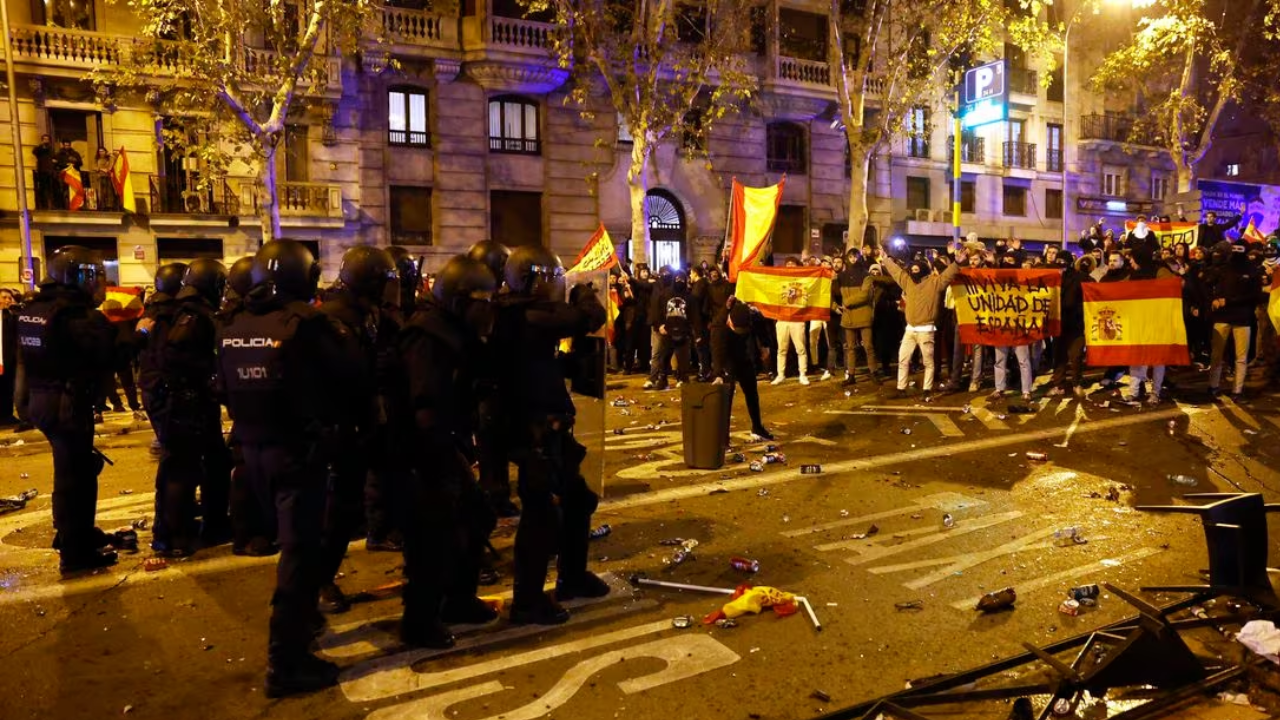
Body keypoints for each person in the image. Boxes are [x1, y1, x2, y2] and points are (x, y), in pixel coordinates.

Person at [216, 239, 364, 697]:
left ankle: (300, 633)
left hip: (254, 452)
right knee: (300, 559)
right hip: (298, 454)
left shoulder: (233, 325)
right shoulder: (309, 325)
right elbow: (351, 378)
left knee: (292, 553)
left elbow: (222, 388)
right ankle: (287, 663)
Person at [494, 244, 608, 625]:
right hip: (535, 432)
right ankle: (527, 600)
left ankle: (572, 577)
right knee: (540, 515)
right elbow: (587, 317)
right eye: (552, 279)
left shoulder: (520, 315)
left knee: (577, 501)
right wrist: (585, 294)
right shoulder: (523, 314)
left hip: (548, 427)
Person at [397, 254, 503, 647]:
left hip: (446, 444)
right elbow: (425, 403)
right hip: (424, 451)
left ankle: (459, 599)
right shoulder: (427, 335)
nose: (487, 310)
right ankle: (419, 620)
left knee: (476, 518)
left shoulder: (454, 331)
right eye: (483, 302)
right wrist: (439, 457)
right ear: (461, 300)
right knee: (433, 537)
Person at [17, 246, 118, 572]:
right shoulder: (76, 315)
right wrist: (139, 333)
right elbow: (106, 356)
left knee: (69, 470)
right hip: (67, 401)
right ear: (80, 278)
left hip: (42, 399)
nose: (100, 285)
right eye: (96, 277)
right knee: (78, 478)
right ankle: (76, 552)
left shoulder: (38, 308)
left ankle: (73, 535)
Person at [316, 246, 394, 613]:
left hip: (363, 424)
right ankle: (319, 582)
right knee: (334, 514)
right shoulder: (334, 319)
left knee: (353, 506)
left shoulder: (367, 314)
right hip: (338, 430)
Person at [148, 259, 232, 556]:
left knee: (213, 464)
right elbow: (177, 358)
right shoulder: (192, 315)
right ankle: (176, 537)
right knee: (182, 470)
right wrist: (206, 379)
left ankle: (208, 526)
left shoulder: (179, 310)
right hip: (187, 403)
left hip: (188, 401)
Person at [881, 246, 966, 401]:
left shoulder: (934, 283)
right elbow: (896, 272)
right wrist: (885, 260)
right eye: (911, 269)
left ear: (923, 270)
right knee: (903, 359)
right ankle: (901, 388)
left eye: (916, 269)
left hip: (926, 329)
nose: (913, 272)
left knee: (928, 362)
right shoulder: (907, 281)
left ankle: (927, 390)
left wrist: (957, 263)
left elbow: (947, 275)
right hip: (910, 329)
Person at [1205, 242, 1259, 400]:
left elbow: (1253, 295)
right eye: (1234, 249)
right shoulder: (1223, 268)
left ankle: (1237, 390)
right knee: (1217, 355)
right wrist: (1214, 299)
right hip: (1223, 316)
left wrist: (1228, 301)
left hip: (1242, 318)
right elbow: (1208, 285)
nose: (1236, 253)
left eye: (1239, 250)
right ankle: (1213, 386)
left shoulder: (1252, 270)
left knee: (1240, 357)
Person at [714, 298, 773, 440]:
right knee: (727, 398)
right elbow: (718, 352)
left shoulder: (751, 316)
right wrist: (719, 374)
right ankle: (723, 437)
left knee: (752, 391)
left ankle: (757, 427)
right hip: (728, 359)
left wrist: (765, 345)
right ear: (731, 322)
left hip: (743, 355)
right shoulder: (720, 327)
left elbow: (761, 326)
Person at [645, 272, 693, 390]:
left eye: (682, 279)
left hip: (683, 331)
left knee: (683, 357)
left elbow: (693, 313)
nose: (679, 281)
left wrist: (691, 330)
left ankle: (683, 378)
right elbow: (658, 310)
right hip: (668, 330)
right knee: (664, 356)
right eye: (677, 279)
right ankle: (662, 378)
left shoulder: (688, 295)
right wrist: (659, 325)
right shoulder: (665, 294)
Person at [772, 257, 810, 385]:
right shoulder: (779, 280)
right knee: (782, 349)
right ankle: (780, 374)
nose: (790, 266)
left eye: (792, 264)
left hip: (797, 319)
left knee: (801, 348)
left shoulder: (803, 280)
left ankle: (803, 374)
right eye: (787, 264)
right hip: (782, 319)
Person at [0, 289, 17, 425]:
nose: (7, 301)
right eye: (4, 297)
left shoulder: (11, 316)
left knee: (8, 388)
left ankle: (7, 415)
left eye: (9, 298)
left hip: (9, 359)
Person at [33, 135, 60, 210]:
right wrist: (41, 146)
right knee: (42, 188)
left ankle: (50, 205)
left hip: (50, 171)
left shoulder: (50, 149)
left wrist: (54, 161)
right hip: (42, 171)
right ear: (42, 140)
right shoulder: (39, 148)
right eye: (44, 139)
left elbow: (54, 157)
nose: (46, 140)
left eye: (47, 139)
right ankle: (43, 205)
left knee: (50, 188)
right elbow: (34, 152)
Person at [93, 147, 116, 211]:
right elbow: (94, 167)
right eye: (100, 151)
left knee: (109, 192)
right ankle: (102, 205)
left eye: (102, 151)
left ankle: (109, 206)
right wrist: (101, 169)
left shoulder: (108, 159)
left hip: (108, 177)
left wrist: (110, 154)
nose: (101, 153)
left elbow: (114, 159)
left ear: (105, 152)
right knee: (101, 192)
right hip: (100, 177)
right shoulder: (97, 159)